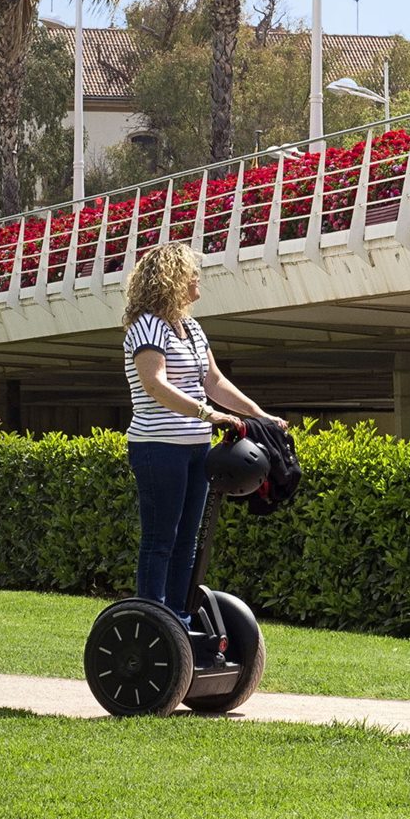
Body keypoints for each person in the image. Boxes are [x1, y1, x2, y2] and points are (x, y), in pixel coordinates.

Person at [122, 244, 285, 621]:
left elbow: (214, 381)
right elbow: (154, 384)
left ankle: (179, 617)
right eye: (191, 272)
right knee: (161, 539)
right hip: (158, 447)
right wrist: (208, 415)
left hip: (198, 447)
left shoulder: (192, 328)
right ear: (171, 279)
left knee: (188, 541)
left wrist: (260, 415)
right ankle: (151, 619)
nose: (198, 278)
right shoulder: (147, 325)